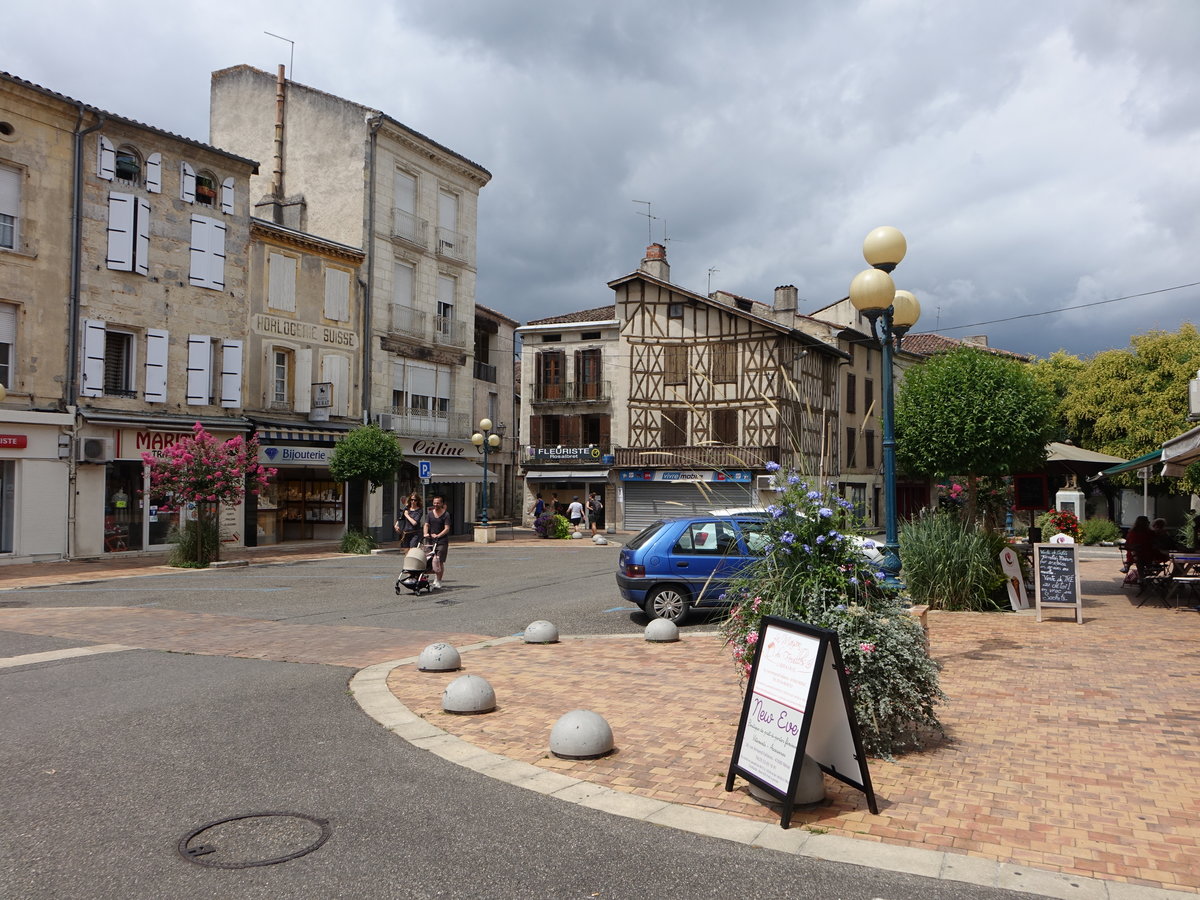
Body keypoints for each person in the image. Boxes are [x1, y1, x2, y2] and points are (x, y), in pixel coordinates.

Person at [423, 495, 451, 590]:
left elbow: (447, 528)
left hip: (442, 541)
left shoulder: (446, 515)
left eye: (438, 503)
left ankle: (439, 579)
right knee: (430, 560)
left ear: (442, 504)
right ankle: (434, 575)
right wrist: (425, 533)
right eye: (434, 503)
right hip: (430, 541)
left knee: (439, 561)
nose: (436, 504)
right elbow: (426, 524)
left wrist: (439, 535)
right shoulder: (430, 514)